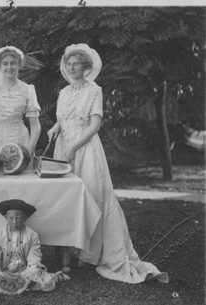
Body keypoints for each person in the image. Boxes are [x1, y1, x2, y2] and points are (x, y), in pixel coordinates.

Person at [47, 44, 168, 284]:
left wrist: (74, 146)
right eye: (69, 64)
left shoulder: (94, 91)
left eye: (77, 64)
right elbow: (63, 119)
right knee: (67, 199)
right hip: (63, 149)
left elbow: (94, 126)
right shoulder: (64, 92)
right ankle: (70, 252)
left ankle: (93, 254)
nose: (72, 68)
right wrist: (54, 128)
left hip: (85, 149)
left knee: (93, 197)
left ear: (86, 67)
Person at [0, 199, 69, 294]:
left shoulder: (32, 235)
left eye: (18, 218)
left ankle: (31, 283)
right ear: (6, 217)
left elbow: (34, 259)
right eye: (11, 218)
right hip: (5, 272)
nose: (14, 222)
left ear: (24, 218)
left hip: (25, 272)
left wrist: (25, 276)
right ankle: (28, 287)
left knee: (48, 284)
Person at [0, 46, 41, 155]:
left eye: (13, 63)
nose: (9, 67)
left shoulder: (28, 89)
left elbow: (35, 125)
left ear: (19, 65)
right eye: (5, 63)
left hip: (21, 141)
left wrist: (30, 147)